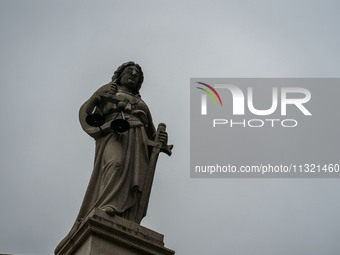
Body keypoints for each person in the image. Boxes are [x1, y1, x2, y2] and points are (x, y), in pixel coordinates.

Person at [55, 61, 168, 253]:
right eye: (129, 71)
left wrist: (159, 140)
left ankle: (125, 213)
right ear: (120, 75)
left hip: (137, 141)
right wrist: (98, 98)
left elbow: (150, 132)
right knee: (115, 164)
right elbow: (87, 111)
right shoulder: (109, 90)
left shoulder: (143, 105)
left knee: (133, 177)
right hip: (113, 133)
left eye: (136, 74)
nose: (133, 75)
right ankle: (107, 204)